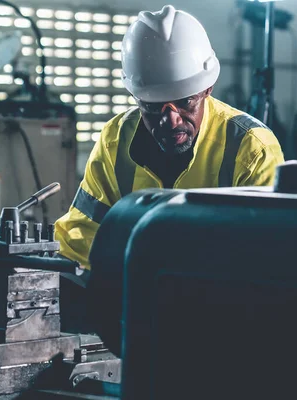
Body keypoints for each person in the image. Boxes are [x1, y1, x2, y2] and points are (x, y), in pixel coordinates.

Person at [55, 5, 284, 271]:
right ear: (136, 98)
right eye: (153, 106)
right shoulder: (115, 140)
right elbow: (82, 236)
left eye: (185, 102)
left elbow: (264, 258)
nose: (170, 120)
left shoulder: (252, 149)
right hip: (133, 297)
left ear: (207, 89)